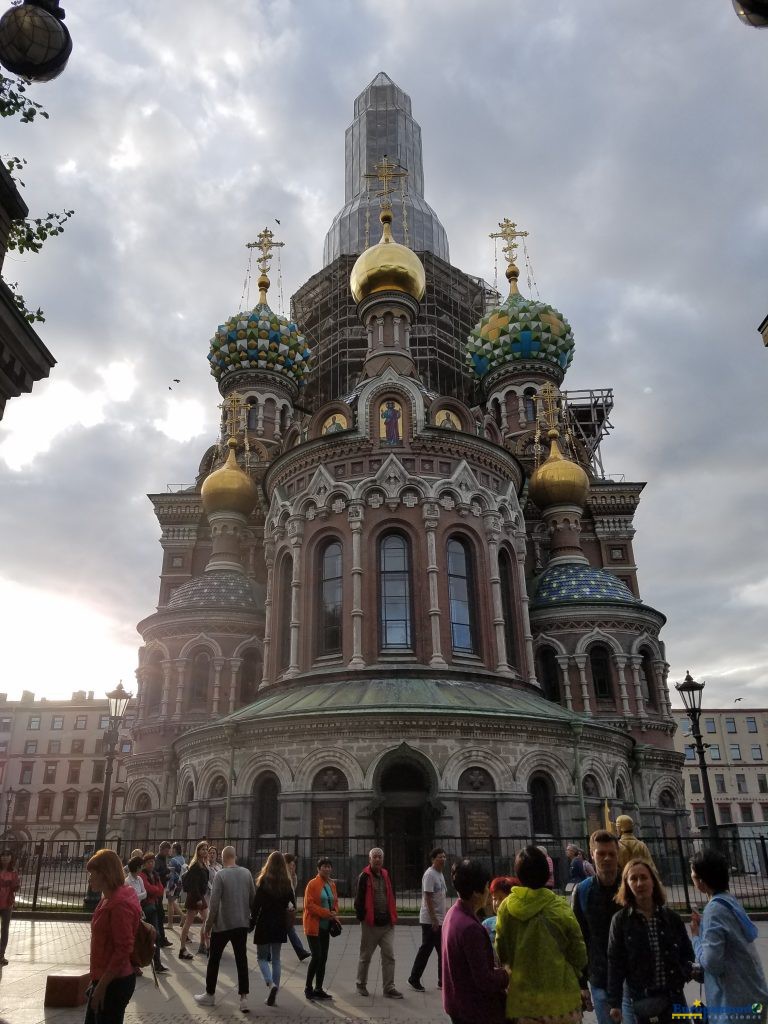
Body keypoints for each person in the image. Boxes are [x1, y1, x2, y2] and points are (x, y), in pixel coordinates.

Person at [495, 845, 587, 1024]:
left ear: (519, 875)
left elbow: (501, 951)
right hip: (562, 1003)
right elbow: (579, 954)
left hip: (524, 1003)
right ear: (546, 873)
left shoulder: (506, 907)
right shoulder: (560, 907)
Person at [607, 858, 693, 1024]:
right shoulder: (621, 921)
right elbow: (615, 962)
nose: (639, 883)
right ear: (627, 885)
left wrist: (683, 973)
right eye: (633, 878)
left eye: (644, 877)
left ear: (653, 881)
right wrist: (615, 1003)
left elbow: (687, 952)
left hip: (673, 997)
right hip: (641, 999)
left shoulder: (671, 918)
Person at [690, 849, 768, 1024]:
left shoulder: (713, 910)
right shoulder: (729, 901)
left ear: (701, 881)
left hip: (733, 1005)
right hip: (753, 995)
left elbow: (713, 963)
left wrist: (696, 937)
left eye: (693, 874)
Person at [572, 830, 635, 1024]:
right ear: (591, 855)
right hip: (599, 977)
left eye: (611, 853)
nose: (606, 858)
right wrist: (582, 984)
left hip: (631, 979)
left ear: (618, 854)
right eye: (601, 853)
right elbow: (579, 939)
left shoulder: (632, 887)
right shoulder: (582, 891)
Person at [442, 858, 508, 1024]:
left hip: (457, 1003)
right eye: (486, 887)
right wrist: (507, 973)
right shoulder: (470, 928)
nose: (488, 892)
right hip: (472, 1009)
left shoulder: (453, 913)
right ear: (476, 892)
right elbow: (484, 979)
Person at [194, 845, 255, 1013]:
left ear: (222, 857)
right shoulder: (246, 873)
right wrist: (251, 920)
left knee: (214, 960)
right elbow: (253, 900)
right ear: (235, 856)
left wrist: (207, 926)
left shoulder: (221, 875)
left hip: (222, 924)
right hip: (241, 923)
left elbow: (213, 905)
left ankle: (210, 994)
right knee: (242, 960)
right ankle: (244, 998)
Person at [85, 848, 141, 1024]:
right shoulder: (107, 899)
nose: (89, 878)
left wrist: (101, 986)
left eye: (92, 873)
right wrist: (96, 980)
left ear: (104, 874)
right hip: (104, 978)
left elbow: (123, 949)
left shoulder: (119, 905)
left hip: (115, 982)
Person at [354, 847, 402, 998]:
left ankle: (389, 987)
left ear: (383, 860)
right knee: (366, 955)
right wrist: (363, 918)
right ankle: (361, 984)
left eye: (379, 857)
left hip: (386, 924)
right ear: (369, 860)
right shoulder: (364, 876)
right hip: (371, 924)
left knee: (389, 955)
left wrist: (392, 915)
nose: (377, 859)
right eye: (374, 857)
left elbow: (390, 895)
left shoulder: (386, 874)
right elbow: (358, 901)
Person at [252, 850, 295, 1007]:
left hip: (264, 923)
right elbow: (292, 905)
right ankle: (274, 994)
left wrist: (251, 923)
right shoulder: (286, 883)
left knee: (262, 958)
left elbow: (256, 906)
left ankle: (270, 984)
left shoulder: (263, 881)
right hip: (279, 924)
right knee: (276, 959)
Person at [408, 847, 447, 992]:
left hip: (439, 918)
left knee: (442, 951)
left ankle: (442, 981)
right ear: (433, 859)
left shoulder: (440, 874)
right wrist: (434, 919)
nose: (443, 859)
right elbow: (428, 898)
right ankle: (414, 978)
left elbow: (440, 896)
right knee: (426, 950)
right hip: (430, 920)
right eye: (439, 857)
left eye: (444, 857)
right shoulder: (430, 874)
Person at [303, 857, 340, 1001]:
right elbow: (309, 906)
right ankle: (308, 987)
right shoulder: (312, 884)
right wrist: (327, 913)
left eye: (329, 866)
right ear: (318, 869)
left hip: (326, 927)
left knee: (323, 957)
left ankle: (319, 988)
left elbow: (335, 901)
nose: (327, 869)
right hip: (314, 926)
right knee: (316, 956)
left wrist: (335, 911)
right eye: (324, 866)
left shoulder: (332, 884)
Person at [179, 840, 209, 960]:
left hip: (200, 896)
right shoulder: (195, 865)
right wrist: (198, 899)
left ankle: (206, 946)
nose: (205, 851)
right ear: (198, 851)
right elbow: (194, 884)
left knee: (207, 920)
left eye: (206, 849)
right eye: (203, 849)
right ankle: (182, 949)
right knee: (188, 923)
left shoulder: (204, 864)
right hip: (195, 897)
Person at [139, 854, 168, 974]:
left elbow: (161, 889)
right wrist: (155, 891)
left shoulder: (155, 875)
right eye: (149, 862)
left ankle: (157, 963)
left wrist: (155, 891)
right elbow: (148, 889)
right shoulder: (142, 875)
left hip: (154, 907)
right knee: (142, 937)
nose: (151, 864)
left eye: (152, 862)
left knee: (156, 935)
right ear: (144, 864)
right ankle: (136, 963)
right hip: (145, 909)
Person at [284, 853, 310, 961]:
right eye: (291, 863)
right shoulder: (282, 875)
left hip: (288, 907)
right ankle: (301, 952)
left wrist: (293, 875)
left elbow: (293, 888)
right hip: (284, 907)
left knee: (289, 930)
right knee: (288, 930)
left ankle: (301, 952)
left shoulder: (290, 874)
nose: (293, 865)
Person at [0, 849, 20, 966]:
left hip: (7, 904)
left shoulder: (13, 872)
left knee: (5, 929)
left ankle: (1, 955)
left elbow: (16, 887)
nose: (5, 858)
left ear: (11, 858)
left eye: (8, 855)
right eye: (3, 855)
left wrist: (16, 885)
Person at [481, 876, 513, 946]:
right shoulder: (486, 925)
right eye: (494, 899)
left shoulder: (518, 924)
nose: (496, 903)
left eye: (501, 898)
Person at [154, 842, 173, 947]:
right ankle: (160, 939)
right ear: (162, 849)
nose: (168, 852)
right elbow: (156, 874)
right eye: (167, 850)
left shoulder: (163, 859)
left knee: (160, 915)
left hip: (161, 890)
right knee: (159, 915)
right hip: (157, 891)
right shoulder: (157, 860)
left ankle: (161, 938)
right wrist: (166, 874)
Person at [165, 842, 185, 930]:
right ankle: (183, 916)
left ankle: (170, 923)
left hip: (173, 884)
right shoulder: (183, 859)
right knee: (172, 901)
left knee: (170, 902)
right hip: (180, 883)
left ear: (175, 849)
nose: (171, 850)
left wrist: (169, 887)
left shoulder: (173, 860)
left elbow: (171, 875)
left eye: (172, 848)